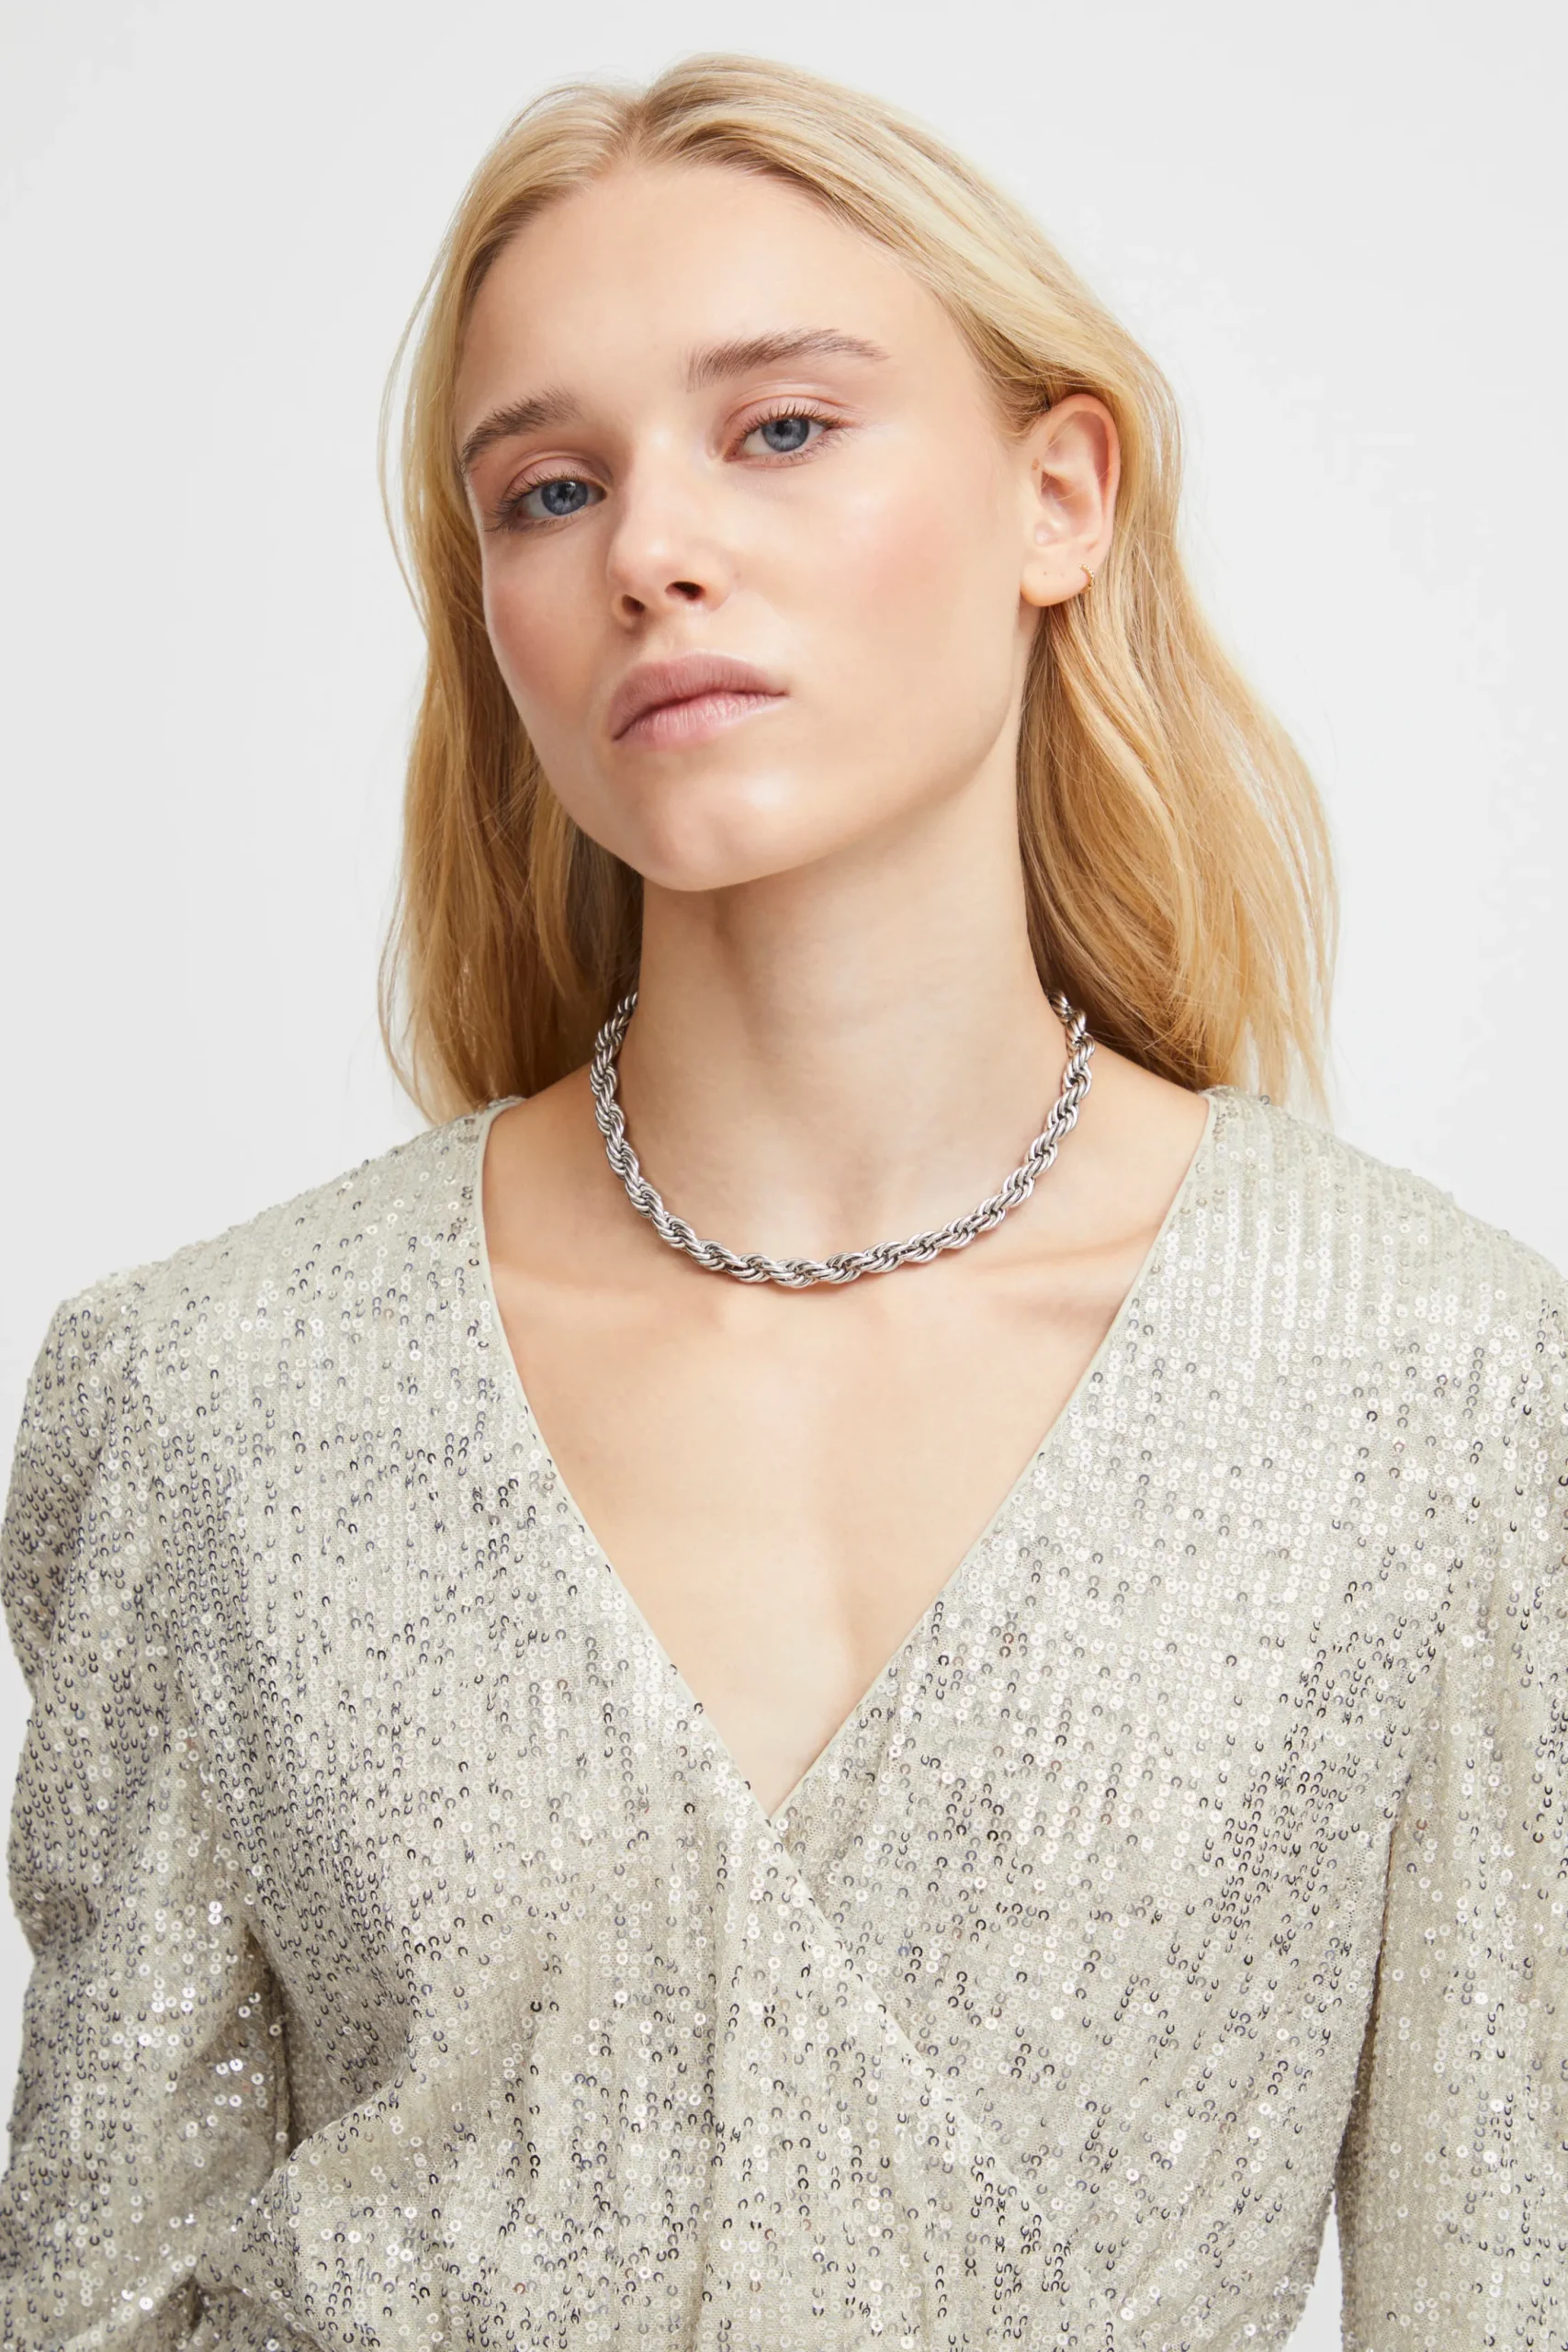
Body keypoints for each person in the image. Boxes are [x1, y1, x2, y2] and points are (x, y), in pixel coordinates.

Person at [1, 49, 1562, 2352]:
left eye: (782, 426)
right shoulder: (213, 1402)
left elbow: (1498, 2279)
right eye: (548, 488)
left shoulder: (1432, 1384)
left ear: (1059, 495)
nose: (649, 547)